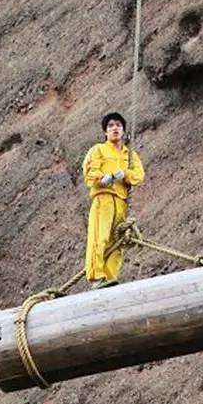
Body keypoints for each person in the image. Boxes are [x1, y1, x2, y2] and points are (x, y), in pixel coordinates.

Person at [82, 112, 145, 288]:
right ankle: (96, 276)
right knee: (99, 237)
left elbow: (138, 175)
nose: (115, 128)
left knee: (117, 242)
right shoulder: (98, 150)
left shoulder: (129, 155)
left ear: (123, 130)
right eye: (110, 126)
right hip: (104, 198)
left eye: (118, 125)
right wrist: (104, 178)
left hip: (121, 202)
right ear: (105, 132)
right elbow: (89, 172)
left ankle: (110, 278)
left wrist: (125, 174)